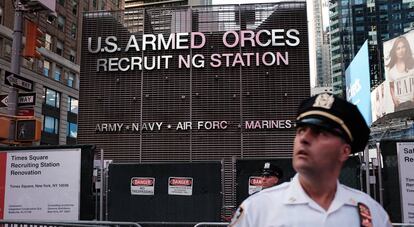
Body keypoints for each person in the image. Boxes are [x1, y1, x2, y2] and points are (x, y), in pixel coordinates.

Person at [229, 93, 392, 227]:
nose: (304, 138)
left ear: (344, 151)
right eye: (301, 130)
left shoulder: (372, 213)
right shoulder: (258, 209)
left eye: (320, 133)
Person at [386, 36, 414, 111]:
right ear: (394, 51)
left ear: (406, 48)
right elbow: (391, 86)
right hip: (400, 107)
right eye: (398, 48)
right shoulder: (391, 71)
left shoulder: (412, 64)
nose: (401, 50)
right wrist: (394, 98)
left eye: (403, 47)